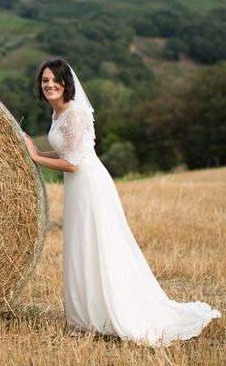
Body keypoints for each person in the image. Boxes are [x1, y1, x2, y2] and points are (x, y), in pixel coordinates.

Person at [23, 58, 220, 346]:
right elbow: (68, 152)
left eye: (56, 80)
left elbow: (75, 164)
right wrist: (38, 151)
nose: (50, 84)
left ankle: (110, 312)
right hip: (78, 189)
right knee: (82, 245)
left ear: (67, 83)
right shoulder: (58, 115)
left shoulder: (75, 113)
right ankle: (88, 315)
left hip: (90, 186)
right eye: (45, 81)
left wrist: (37, 158)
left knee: (99, 246)